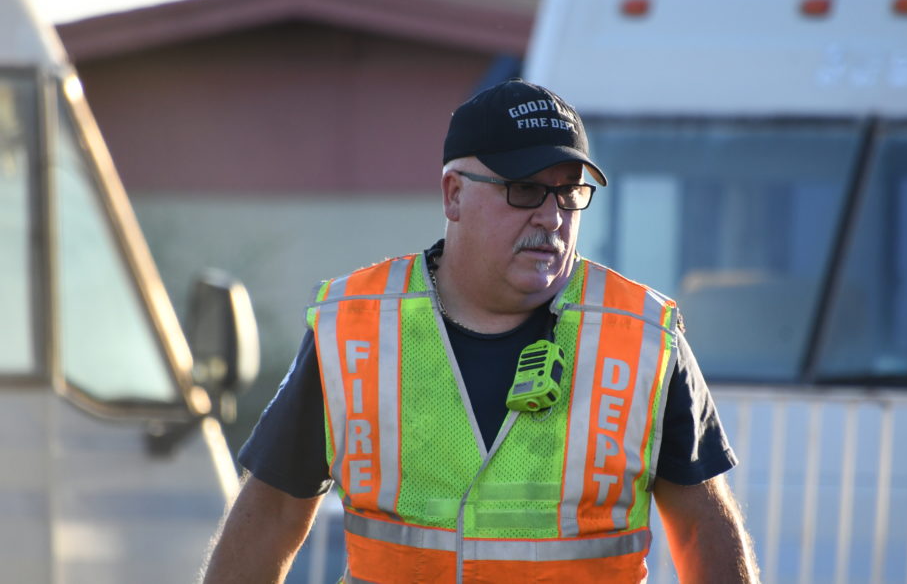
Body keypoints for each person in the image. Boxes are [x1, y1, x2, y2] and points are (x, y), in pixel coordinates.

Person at [201, 79, 759, 583]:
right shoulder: (356, 328)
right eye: (525, 189)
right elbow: (273, 514)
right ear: (453, 194)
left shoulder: (642, 336)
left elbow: (702, 529)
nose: (552, 216)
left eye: (569, 192)